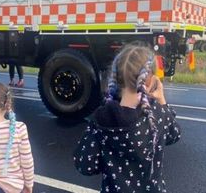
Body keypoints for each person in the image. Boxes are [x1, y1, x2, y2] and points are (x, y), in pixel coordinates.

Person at [73, 44, 181, 193]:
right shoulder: (157, 113)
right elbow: (174, 134)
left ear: (116, 79)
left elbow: (84, 165)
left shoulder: (101, 120)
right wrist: (162, 99)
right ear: (150, 80)